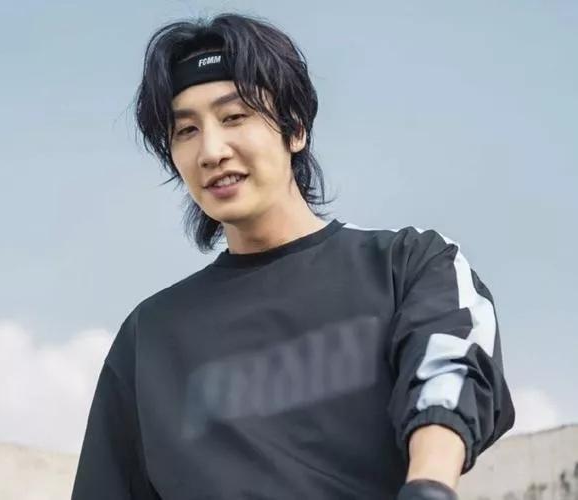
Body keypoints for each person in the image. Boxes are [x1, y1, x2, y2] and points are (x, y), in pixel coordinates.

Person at [71, 12, 515, 500]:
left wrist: (429, 485)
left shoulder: (409, 264)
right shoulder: (148, 336)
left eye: (234, 117)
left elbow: (451, 371)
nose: (211, 151)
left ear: (295, 128)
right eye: (186, 130)